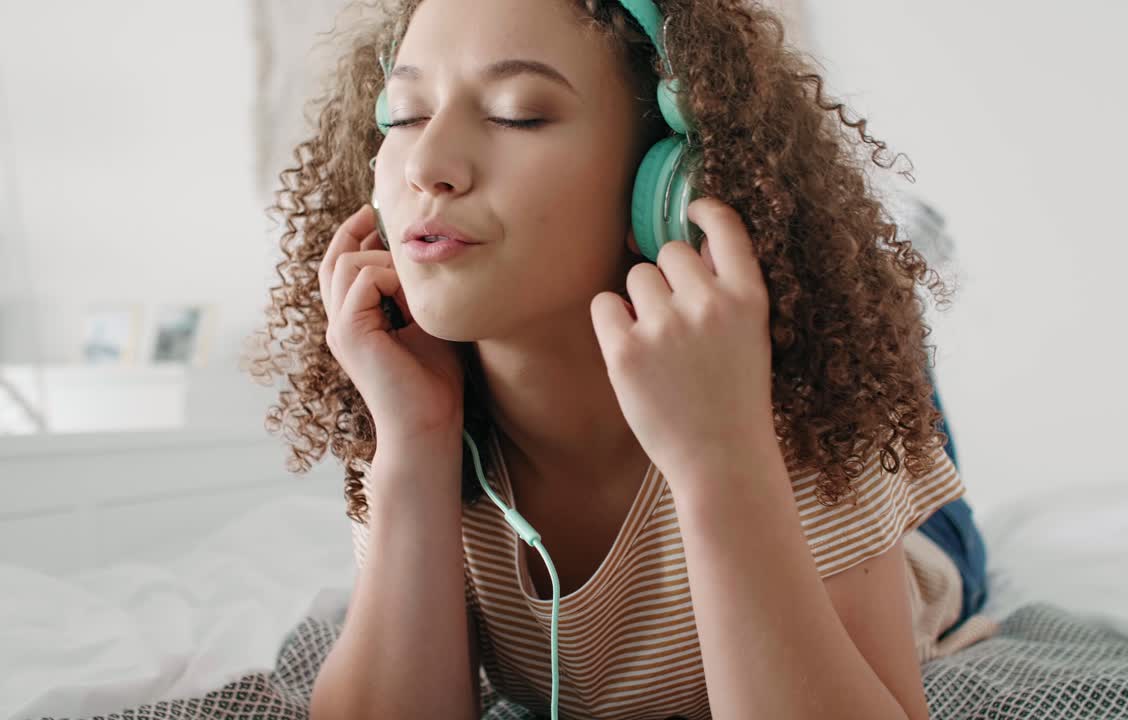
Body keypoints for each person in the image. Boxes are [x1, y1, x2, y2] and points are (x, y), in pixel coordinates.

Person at [245, 1, 998, 718]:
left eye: (517, 113)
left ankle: (894, 260)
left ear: (667, 183)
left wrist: (723, 452)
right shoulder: (407, 386)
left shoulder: (798, 403)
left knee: (878, 361)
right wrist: (413, 443)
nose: (427, 165)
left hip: (914, 548)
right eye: (404, 116)